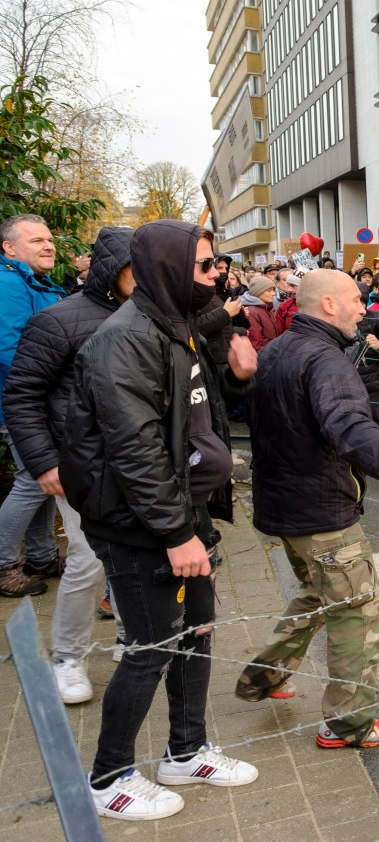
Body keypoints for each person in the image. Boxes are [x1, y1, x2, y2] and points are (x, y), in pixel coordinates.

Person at [61, 220, 260, 820]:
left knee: (196, 633)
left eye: (216, 263)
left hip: (183, 514)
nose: (217, 273)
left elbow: (193, 417)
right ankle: (109, 778)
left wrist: (237, 378)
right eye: (205, 266)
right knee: (151, 646)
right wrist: (176, 534)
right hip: (142, 525)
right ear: (172, 270)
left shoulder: (175, 328)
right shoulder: (124, 339)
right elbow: (136, 450)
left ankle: (187, 748)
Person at [234, 269, 379, 750]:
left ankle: (261, 679)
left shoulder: (280, 349)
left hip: (285, 508)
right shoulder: (326, 361)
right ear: (328, 304)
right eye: (353, 299)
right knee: (361, 612)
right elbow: (348, 426)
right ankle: (348, 723)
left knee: (316, 595)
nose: (361, 307)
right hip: (321, 512)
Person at [3, 227, 133, 703]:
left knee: (131, 553)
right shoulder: (58, 319)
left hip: (135, 463)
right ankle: (67, 657)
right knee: (87, 556)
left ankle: (131, 637)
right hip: (78, 464)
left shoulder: (154, 316)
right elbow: (21, 393)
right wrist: (43, 463)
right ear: (114, 270)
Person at [0, 214, 69, 596]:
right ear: (9, 248)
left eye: (49, 239)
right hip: (22, 404)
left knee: (45, 481)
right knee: (34, 479)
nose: (48, 245)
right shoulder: (7, 284)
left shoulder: (34, 281)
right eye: (36, 241)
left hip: (39, 401)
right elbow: (10, 349)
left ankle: (41, 556)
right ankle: (2, 562)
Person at [243, 276, 280, 352]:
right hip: (264, 358)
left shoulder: (267, 308)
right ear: (258, 292)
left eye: (273, 290)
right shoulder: (252, 312)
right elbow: (255, 343)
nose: (273, 294)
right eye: (269, 291)